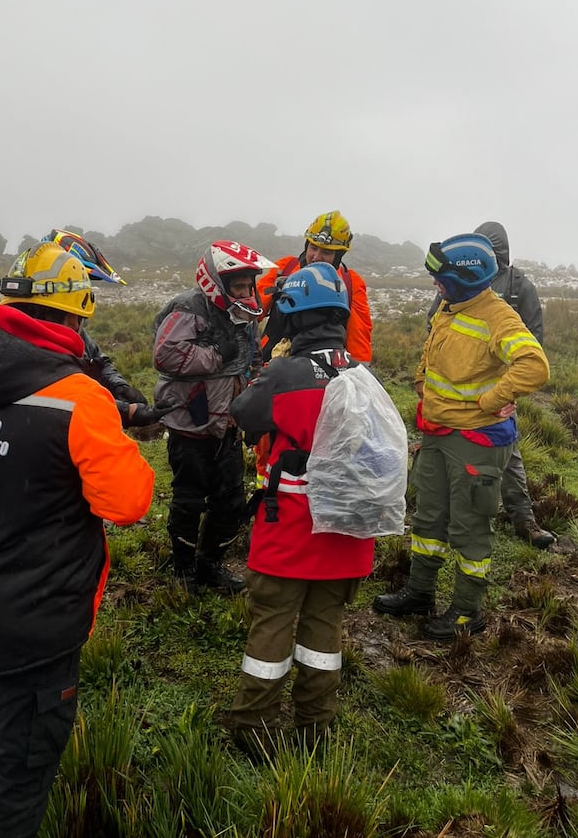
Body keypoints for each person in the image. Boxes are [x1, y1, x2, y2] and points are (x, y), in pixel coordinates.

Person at [0, 242, 154, 838]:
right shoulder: (80, 399)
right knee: (24, 759)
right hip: (42, 611)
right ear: (75, 316)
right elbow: (128, 505)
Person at [225, 263, 375, 756]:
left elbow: (245, 415)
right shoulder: (363, 376)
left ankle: (253, 729)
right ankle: (315, 726)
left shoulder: (286, 373)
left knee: (271, 626)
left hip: (289, 529)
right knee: (323, 632)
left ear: (290, 314)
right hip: (348, 533)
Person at [374, 233, 550, 641]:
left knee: (470, 527)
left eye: (442, 277)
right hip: (438, 433)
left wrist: (494, 398)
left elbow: (534, 366)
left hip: (476, 440)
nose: (435, 283)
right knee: (428, 517)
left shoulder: (498, 317)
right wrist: (420, 380)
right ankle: (420, 593)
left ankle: (467, 612)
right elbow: (434, 350)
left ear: (466, 279)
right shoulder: (450, 307)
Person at [153, 240, 275, 594]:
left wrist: (251, 394)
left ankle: (210, 565)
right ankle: (182, 568)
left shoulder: (245, 313)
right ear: (216, 283)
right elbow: (166, 355)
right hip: (190, 423)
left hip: (227, 423)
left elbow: (252, 356)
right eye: (238, 285)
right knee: (189, 499)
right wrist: (217, 354)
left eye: (249, 284)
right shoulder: (188, 308)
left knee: (231, 500)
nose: (246, 291)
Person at [427, 221, 553, 549]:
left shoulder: (517, 285)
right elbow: (435, 324)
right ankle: (456, 512)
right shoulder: (452, 283)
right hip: (452, 399)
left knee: (508, 452)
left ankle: (523, 517)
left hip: (498, 391)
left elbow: (533, 339)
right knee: (452, 458)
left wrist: (507, 390)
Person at [253, 209, 373, 488]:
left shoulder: (351, 284)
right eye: (313, 248)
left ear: (339, 255)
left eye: (326, 252)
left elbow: (359, 339)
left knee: (314, 435)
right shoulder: (284, 269)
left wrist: (359, 381)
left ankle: (308, 490)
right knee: (267, 439)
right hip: (277, 364)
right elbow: (253, 309)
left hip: (322, 370)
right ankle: (265, 489)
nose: (316, 256)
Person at [42, 228, 169, 429]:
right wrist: (126, 411)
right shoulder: (27, 336)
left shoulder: (71, 327)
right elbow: (63, 393)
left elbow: (96, 359)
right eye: (79, 282)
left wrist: (119, 386)